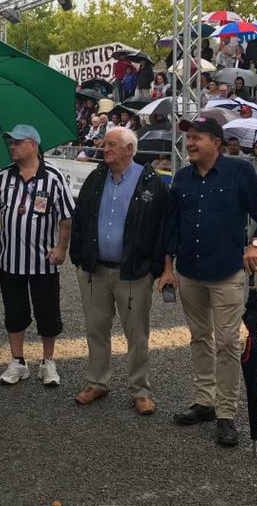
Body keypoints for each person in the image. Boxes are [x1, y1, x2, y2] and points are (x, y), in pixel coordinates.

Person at [161, 115, 257, 447]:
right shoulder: (181, 178)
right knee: (199, 338)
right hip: (189, 273)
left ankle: (226, 413)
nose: (191, 143)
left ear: (217, 143)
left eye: (197, 137)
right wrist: (168, 267)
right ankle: (204, 402)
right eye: (189, 138)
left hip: (227, 274)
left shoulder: (239, 172)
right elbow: (171, 227)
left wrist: (255, 245)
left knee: (227, 343)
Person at [68, 127, 169, 414]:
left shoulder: (151, 182)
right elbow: (80, 218)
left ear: (129, 149)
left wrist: (155, 267)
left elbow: (162, 227)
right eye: (105, 144)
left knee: (136, 334)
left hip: (134, 272)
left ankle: (140, 389)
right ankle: (97, 382)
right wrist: (78, 258)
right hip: (94, 269)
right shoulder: (96, 177)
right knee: (95, 329)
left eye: (112, 144)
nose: (105, 148)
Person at [0, 125, 74, 387]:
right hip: (10, 259)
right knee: (14, 311)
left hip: (44, 262)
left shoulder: (54, 177)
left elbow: (67, 216)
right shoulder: (4, 176)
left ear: (33, 145)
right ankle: (18, 361)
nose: (12, 146)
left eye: (17, 142)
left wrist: (61, 248)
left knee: (48, 313)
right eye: (10, 142)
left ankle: (48, 361)